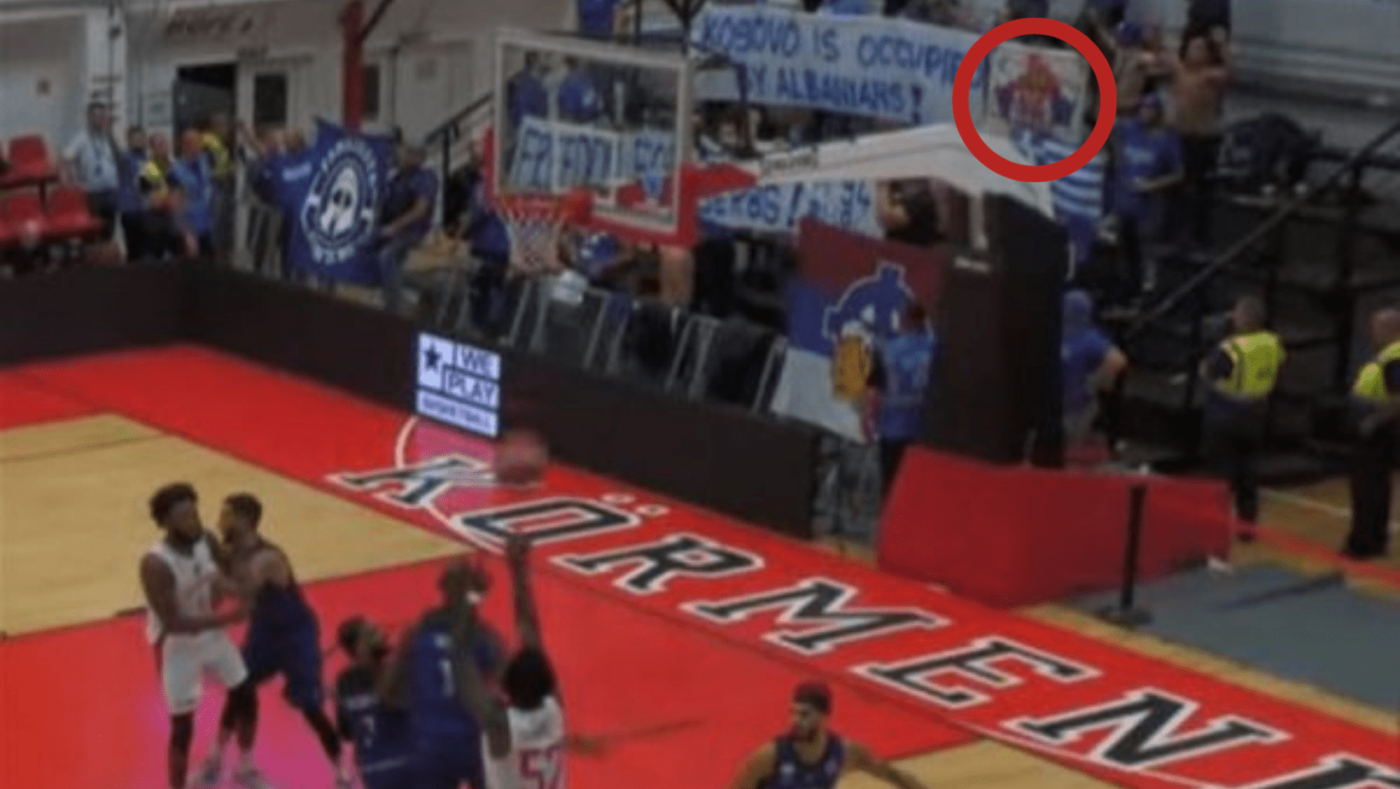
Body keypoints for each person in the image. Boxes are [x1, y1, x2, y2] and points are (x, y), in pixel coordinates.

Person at [203, 493, 355, 788]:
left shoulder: (268, 557)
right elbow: (219, 597)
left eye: (226, 516)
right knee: (240, 686)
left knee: (310, 706)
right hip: (266, 630)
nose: (220, 521)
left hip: (295, 634)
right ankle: (225, 760)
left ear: (244, 521)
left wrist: (211, 572)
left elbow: (243, 591)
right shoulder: (232, 553)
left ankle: (342, 772)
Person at [451, 534, 602, 789]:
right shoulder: (553, 709)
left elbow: (459, 660)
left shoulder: (501, 726)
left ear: (507, 686)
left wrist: (474, 597)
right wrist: (519, 571)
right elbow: (530, 634)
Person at [138, 483, 261, 789]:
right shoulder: (155, 563)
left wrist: (246, 580)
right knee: (183, 727)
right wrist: (229, 616)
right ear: (165, 522)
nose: (194, 522)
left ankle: (244, 767)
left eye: (195, 514)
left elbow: (229, 571)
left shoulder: (206, 539)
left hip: (211, 633)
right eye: (184, 517)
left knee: (246, 694)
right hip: (176, 645)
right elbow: (174, 622)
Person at [383, 559, 506, 789]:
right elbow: (507, 687)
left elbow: (389, 693)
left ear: (442, 589)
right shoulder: (484, 636)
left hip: (431, 742)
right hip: (472, 741)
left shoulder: (417, 631)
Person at [727, 682, 932, 789]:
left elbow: (892, 774)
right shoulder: (771, 756)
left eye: (804, 714)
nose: (795, 720)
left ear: (824, 717)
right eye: (793, 713)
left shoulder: (844, 752)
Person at [1199, 296, 1284, 533]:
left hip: (1227, 412)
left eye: (1236, 312)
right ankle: (1248, 524)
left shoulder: (1232, 348)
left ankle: (1216, 526)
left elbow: (1209, 372)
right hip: (1258, 412)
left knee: (1220, 473)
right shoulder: (1272, 342)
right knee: (1249, 471)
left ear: (1244, 317)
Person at [864, 302, 937, 502]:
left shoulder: (888, 350)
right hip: (924, 431)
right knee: (918, 488)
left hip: (892, 429)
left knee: (891, 486)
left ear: (904, 320)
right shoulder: (936, 349)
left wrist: (869, 420)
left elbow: (875, 392)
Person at [1114, 93, 1183, 297]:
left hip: (1149, 204)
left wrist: (1152, 185)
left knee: (1146, 247)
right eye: (1142, 108)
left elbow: (1178, 174)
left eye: (1149, 109)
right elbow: (1108, 126)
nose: (1144, 113)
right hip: (1126, 199)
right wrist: (1117, 157)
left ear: (1157, 113)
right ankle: (1126, 286)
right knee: (1123, 245)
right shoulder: (1129, 129)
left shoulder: (1166, 139)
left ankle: (1148, 289)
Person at [1345, 307, 1400, 559]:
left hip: (1378, 429)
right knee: (1376, 485)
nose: (1373, 332)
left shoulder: (1394, 357)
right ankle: (1375, 538)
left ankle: (1364, 542)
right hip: (1377, 424)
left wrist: (1374, 421)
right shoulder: (1388, 355)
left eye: (1378, 327)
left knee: (1368, 487)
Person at [1169, 27, 1232, 247]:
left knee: (1201, 189)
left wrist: (1223, 46)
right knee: (1179, 185)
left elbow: (1230, 73)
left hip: (1203, 139)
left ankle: (1200, 235)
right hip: (1181, 136)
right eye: (1191, 47)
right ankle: (1177, 232)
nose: (1194, 51)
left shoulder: (1210, 75)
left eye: (1199, 48)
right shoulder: (1180, 71)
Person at [335, 617, 415, 789]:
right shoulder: (394, 672)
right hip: (407, 764)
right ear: (358, 647)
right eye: (371, 634)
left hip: (373, 770)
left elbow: (347, 733)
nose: (381, 635)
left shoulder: (344, 682)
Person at [1061, 289, 1129, 465]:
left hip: (1076, 408)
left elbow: (1118, 360)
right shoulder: (1057, 332)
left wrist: (1095, 382)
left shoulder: (1088, 337)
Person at [377, 142, 439, 313]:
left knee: (387, 257)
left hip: (413, 230)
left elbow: (420, 210)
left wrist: (394, 227)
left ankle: (393, 310)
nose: (400, 157)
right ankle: (424, 287)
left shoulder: (426, 177)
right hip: (389, 226)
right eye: (402, 153)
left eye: (406, 153)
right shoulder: (395, 176)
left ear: (417, 158)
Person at [63, 100, 120, 240]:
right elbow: (66, 158)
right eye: (98, 116)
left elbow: (119, 159)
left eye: (104, 116)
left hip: (111, 191)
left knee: (109, 232)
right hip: (92, 193)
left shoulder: (108, 138)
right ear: (89, 117)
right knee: (94, 233)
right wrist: (72, 181)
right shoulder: (81, 138)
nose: (102, 119)